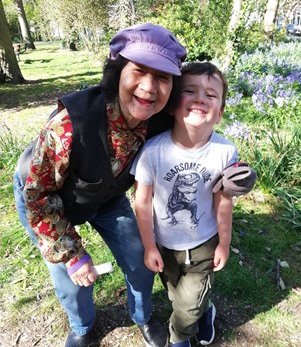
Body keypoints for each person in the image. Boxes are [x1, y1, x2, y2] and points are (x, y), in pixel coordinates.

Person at [13, 23, 187, 347]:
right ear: (117, 71)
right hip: (45, 195)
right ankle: (82, 327)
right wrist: (74, 255)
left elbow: (198, 143)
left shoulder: (160, 119)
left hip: (106, 194)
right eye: (139, 71)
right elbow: (38, 193)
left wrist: (229, 175)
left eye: (163, 77)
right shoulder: (70, 124)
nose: (149, 87)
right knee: (72, 277)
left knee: (139, 256)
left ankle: (143, 316)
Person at [132, 62, 242, 347]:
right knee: (175, 294)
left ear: (219, 114)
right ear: (171, 106)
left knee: (185, 309)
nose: (200, 98)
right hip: (165, 245)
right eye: (190, 91)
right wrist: (149, 246)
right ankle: (206, 313)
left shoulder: (225, 152)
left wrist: (224, 243)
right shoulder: (152, 151)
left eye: (211, 95)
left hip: (204, 242)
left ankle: (179, 339)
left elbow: (224, 201)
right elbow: (142, 201)